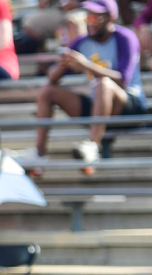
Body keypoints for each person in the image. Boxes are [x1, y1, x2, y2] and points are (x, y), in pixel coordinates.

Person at [33, 0, 145, 166]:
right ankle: (39, 155)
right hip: (98, 103)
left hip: (129, 105)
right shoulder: (82, 41)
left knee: (103, 84)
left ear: (110, 18)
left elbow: (122, 80)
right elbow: (53, 78)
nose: (90, 22)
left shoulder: (125, 37)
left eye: (96, 18)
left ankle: (92, 146)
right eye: (88, 18)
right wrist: (62, 64)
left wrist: (86, 65)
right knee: (48, 91)